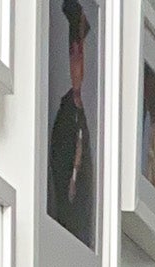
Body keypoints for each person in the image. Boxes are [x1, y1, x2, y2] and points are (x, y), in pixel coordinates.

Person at [46, 0, 95, 250]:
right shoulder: (67, 113)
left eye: (80, 55)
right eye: (75, 54)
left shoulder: (79, 113)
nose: (78, 64)